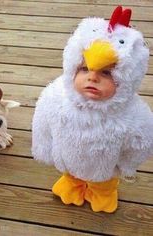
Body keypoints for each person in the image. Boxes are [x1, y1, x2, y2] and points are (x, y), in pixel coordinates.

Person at [32, 6, 153, 213]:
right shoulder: (56, 96)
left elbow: (141, 142)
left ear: (125, 80)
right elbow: (42, 123)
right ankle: (72, 184)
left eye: (106, 73)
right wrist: (44, 149)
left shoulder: (133, 115)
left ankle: (103, 193)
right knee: (70, 176)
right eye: (85, 69)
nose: (93, 77)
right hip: (67, 161)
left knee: (103, 184)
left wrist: (126, 166)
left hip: (103, 171)